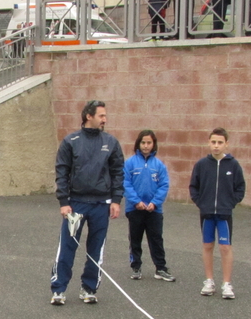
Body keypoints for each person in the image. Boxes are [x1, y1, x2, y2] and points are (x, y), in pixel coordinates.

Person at [51, 100, 124, 305]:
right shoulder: (71, 141)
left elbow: (118, 172)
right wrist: (63, 201)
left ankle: (89, 288)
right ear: (88, 116)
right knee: (67, 246)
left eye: (105, 115)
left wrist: (116, 200)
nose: (105, 119)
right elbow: (62, 172)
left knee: (96, 247)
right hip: (76, 203)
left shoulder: (110, 142)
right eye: (101, 115)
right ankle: (59, 289)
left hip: (101, 204)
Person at [189, 128, 245, 299]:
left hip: (224, 214)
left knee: (225, 247)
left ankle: (226, 284)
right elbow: (194, 187)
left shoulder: (233, 165)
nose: (216, 146)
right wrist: (201, 203)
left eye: (220, 142)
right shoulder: (201, 164)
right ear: (209, 142)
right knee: (207, 246)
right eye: (213, 142)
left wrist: (229, 203)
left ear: (226, 144)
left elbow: (240, 188)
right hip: (207, 214)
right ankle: (209, 280)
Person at [124, 130, 174, 282]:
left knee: (156, 239)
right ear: (138, 144)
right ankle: (136, 266)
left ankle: (160, 268)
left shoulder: (159, 165)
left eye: (149, 143)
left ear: (154, 144)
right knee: (135, 239)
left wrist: (154, 203)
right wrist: (136, 201)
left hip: (154, 210)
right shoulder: (130, 163)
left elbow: (164, 185)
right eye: (143, 143)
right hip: (135, 209)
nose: (146, 146)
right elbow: (125, 183)